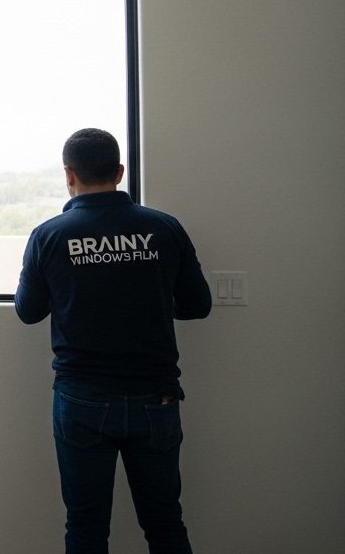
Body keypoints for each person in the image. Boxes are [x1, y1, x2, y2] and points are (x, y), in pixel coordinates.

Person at [15, 128, 212, 554]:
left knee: (85, 527)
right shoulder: (163, 228)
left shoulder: (49, 235)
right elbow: (198, 305)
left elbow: (28, 311)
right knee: (165, 523)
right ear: (119, 172)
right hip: (155, 398)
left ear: (69, 175)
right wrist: (152, 301)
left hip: (82, 399)